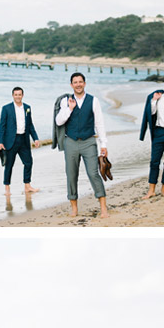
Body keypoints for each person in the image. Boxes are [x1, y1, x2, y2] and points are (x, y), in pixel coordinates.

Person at [53, 71, 109, 222]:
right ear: (71, 85)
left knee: (93, 173)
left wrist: (103, 144)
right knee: (71, 175)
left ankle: (103, 207)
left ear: (84, 83)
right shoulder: (65, 101)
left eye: (80, 82)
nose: (78, 84)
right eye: (75, 82)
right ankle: (74, 207)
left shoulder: (93, 100)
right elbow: (58, 121)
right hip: (70, 142)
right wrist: (69, 109)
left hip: (89, 141)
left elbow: (99, 123)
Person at [0, 87, 39, 209]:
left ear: (23, 95)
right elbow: (2, 126)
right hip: (10, 141)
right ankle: (7, 188)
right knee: (9, 165)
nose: (18, 97)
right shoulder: (6, 108)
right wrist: (0, 142)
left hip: (24, 140)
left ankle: (27, 186)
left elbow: (30, 125)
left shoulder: (27, 108)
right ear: (12, 95)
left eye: (20, 95)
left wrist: (35, 138)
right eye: (16, 95)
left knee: (28, 162)